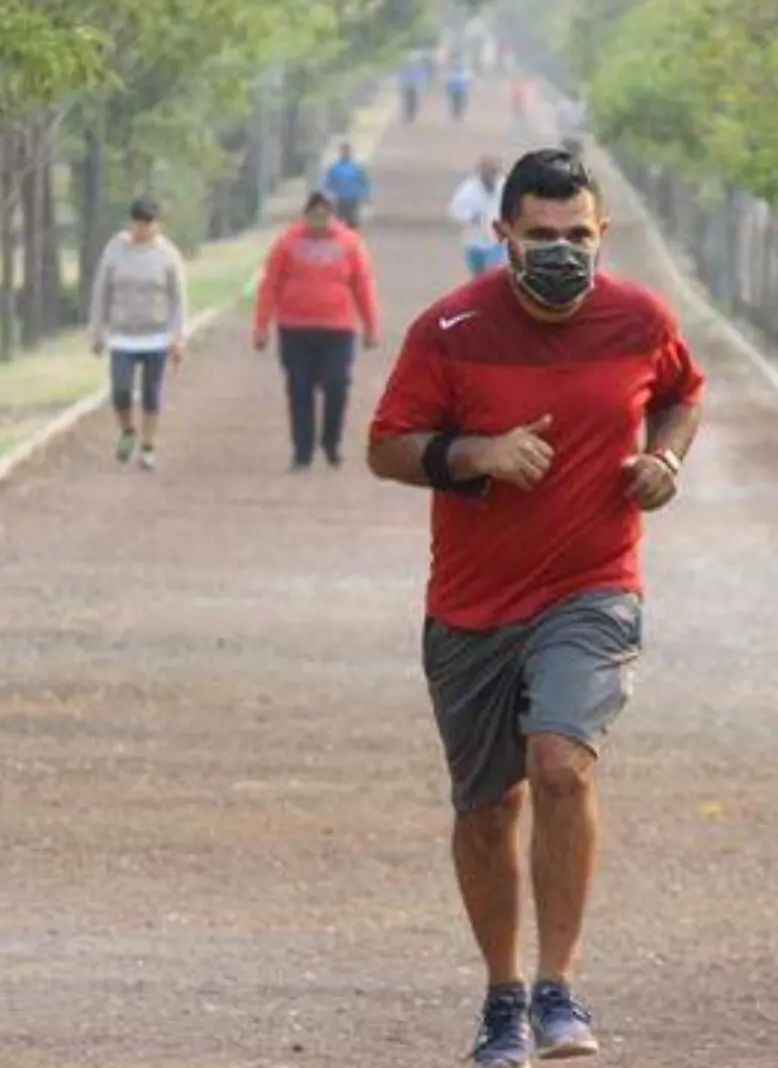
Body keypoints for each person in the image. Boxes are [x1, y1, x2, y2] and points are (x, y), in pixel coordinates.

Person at [365, 148, 706, 1068]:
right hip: (473, 606)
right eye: (542, 236)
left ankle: (559, 988)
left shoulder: (640, 318)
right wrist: (476, 455)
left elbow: (681, 395)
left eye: (579, 236)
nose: (562, 251)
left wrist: (665, 461)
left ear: (603, 235)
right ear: (502, 234)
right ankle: (503, 997)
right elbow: (388, 447)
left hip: (592, 588)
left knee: (560, 765)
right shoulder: (451, 327)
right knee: (487, 806)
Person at [253, 191, 381, 471]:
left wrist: (370, 325)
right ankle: (302, 451)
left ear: (333, 217)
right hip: (295, 329)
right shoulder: (288, 243)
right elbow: (270, 285)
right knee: (299, 389)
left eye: (324, 216)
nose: (319, 222)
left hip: (337, 330)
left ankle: (331, 442)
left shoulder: (349, 243)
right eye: (314, 216)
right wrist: (261, 325)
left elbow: (362, 285)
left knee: (337, 385)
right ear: (306, 215)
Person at [87, 196, 188, 472]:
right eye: (138, 223)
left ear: (157, 225)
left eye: (148, 224)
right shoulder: (115, 250)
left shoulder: (167, 255)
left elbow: (177, 298)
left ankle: (148, 445)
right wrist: (97, 331)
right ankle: (127, 430)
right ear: (131, 223)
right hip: (122, 334)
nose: (142, 229)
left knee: (151, 393)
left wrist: (178, 337)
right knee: (120, 390)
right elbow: (101, 290)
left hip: (156, 335)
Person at [448, 156, 506, 278]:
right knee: (477, 277)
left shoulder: (504, 186)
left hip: (496, 242)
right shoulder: (468, 189)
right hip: (474, 242)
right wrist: (471, 217)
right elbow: (454, 210)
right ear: (480, 173)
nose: (491, 176)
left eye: (493, 172)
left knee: (493, 275)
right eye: (487, 172)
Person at [322, 141, 371, 229]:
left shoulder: (356, 167)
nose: (345, 153)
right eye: (343, 151)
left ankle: (352, 238)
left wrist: (366, 194)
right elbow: (327, 182)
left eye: (347, 151)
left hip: (353, 198)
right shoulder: (335, 167)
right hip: (340, 198)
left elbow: (365, 181)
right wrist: (328, 194)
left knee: (352, 221)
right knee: (340, 221)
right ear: (340, 153)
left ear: (350, 153)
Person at [556, 93, 587, 160]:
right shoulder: (581, 106)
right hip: (576, 138)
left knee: (563, 156)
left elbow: (558, 120)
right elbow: (583, 123)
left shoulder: (563, 105)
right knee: (576, 157)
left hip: (566, 137)